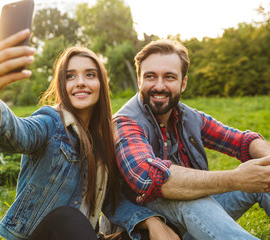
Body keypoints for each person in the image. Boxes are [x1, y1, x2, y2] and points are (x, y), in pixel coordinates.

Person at [0, 29, 180, 240]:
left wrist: (151, 221)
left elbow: (113, 203)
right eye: (70, 76)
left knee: (141, 234)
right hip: (46, 234)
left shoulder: (104, 141)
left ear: (101, 84)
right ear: (61, 84)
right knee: (67, 218)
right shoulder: (50, 123)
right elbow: (18, 133)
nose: (81, 82)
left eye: (90, 75)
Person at [113, 39, 270, 239]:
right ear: (139, 80)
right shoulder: (125, 123)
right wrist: (237, 178)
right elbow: (151, 179)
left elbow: (242, 141)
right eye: (150, 76)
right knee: (192, 197)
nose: (159, 86)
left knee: (263, 174)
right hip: (149, 230)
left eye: (169, 77)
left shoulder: (189, 117)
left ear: (183, 83)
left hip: (197, 221)